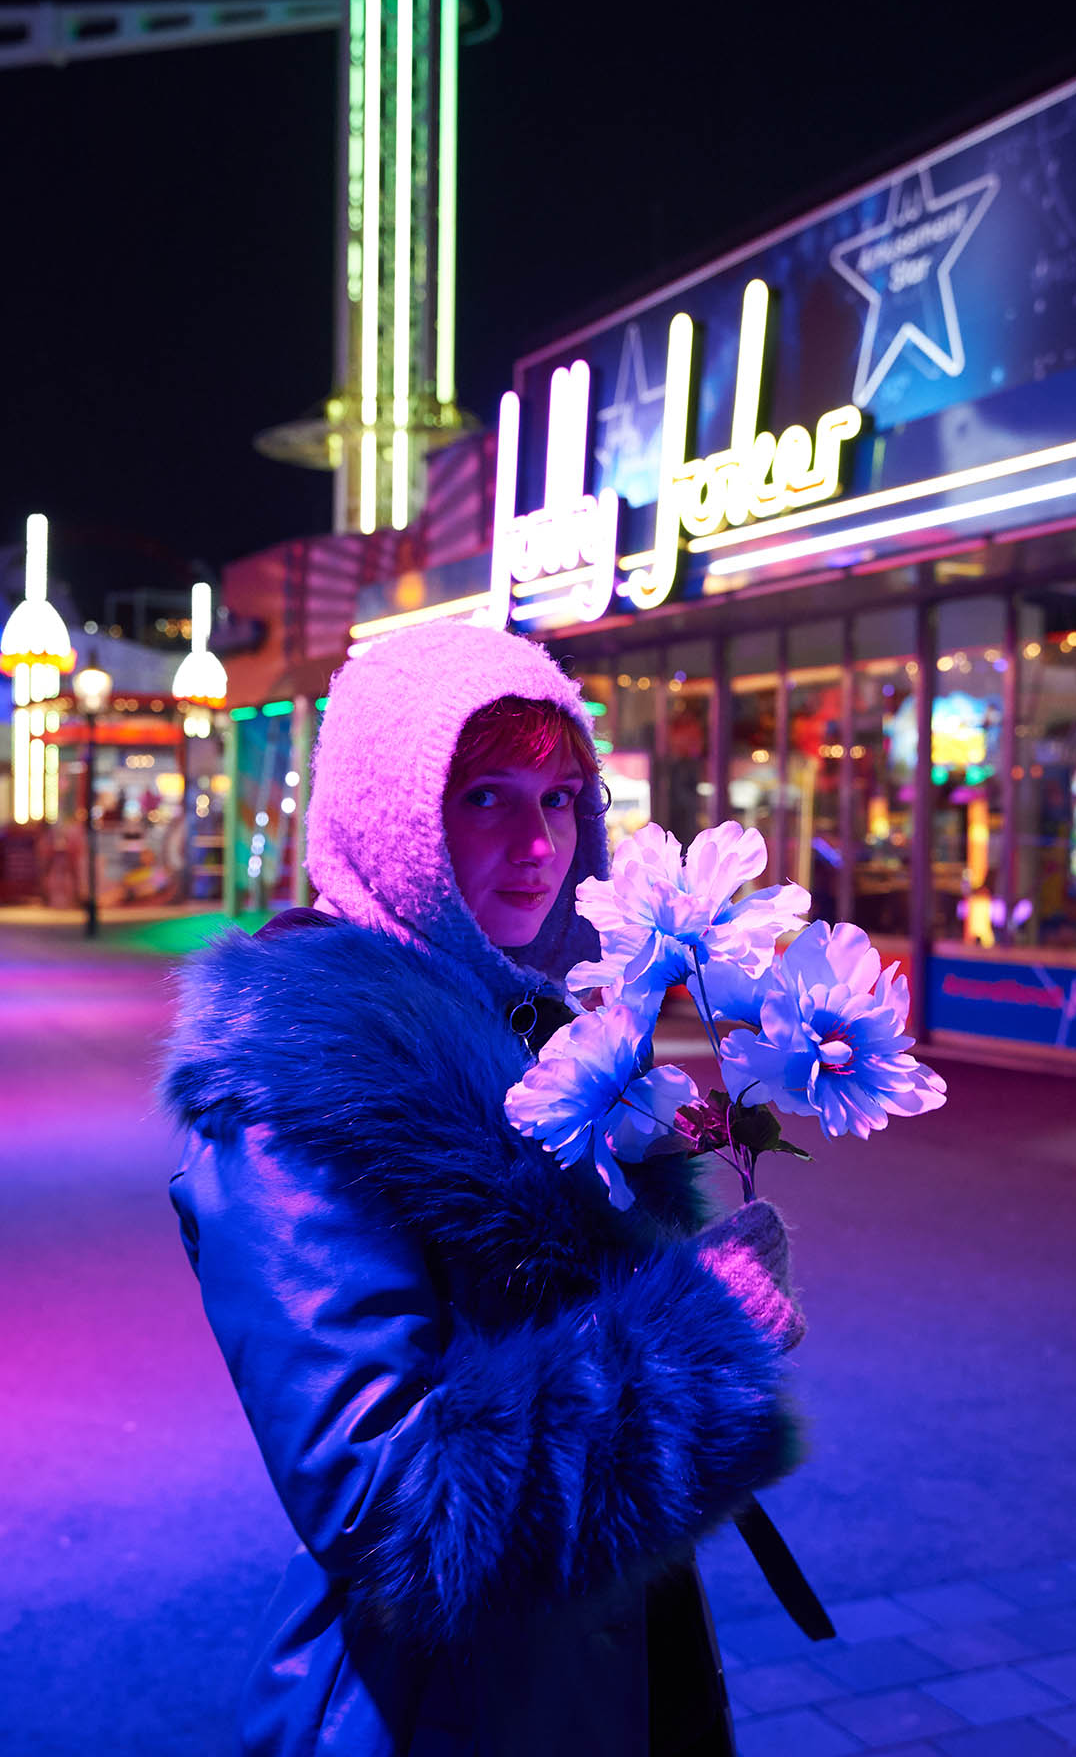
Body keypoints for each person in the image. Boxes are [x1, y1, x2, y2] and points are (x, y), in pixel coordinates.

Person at [164, 622, 807, 1757]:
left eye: (562, 799)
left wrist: (697, 1276)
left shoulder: (537, 1027)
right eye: (484, 799)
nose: (539, 845)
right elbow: (391, 1515)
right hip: (435, 1713)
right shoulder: (296, 1089)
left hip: (610, 1677)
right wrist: (696, 1338)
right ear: (394, 818)